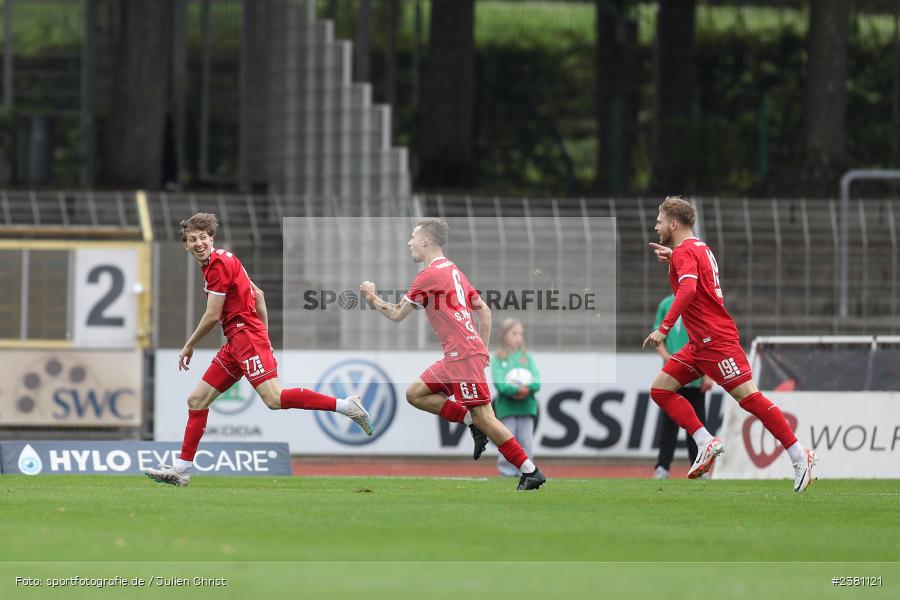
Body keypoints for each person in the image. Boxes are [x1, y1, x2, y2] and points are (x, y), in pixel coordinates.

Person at [145, 213, 373, 487]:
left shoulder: (216, 266)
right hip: (238, 342)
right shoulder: (227, 259)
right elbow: (260, 295)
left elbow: (213, 314)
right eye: (192, 239)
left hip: (244, 337)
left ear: (211, 238)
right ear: (186, 245)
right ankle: (182, 469)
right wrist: (263, 335)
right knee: (197, 400)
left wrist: (190, 344)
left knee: (274, 399)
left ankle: (346, 406)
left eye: (203, 237)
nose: (198, 243)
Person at [642, 196, 817, 492]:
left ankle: (800, 455)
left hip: (715, 341)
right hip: (698, 343)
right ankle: (705, 441)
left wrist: (664, 328)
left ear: (674, 223)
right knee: (660, 390)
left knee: (750, 399)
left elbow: (688, 289)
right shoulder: (697, 247)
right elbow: (698, 279)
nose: (656, 226)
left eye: (659, 221)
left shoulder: (685, 251)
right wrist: (673, 258)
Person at [359, 218, 547, 490]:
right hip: (457, 357)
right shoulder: (454, 271)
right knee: (415, 394)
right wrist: (481, 347)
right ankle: (470, 421)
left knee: (487, 419)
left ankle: (530, 471)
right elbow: (483, 309)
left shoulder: (429, 276)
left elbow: (397, 314)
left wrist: (371, 297)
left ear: (425, 240)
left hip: (463, 358)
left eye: (413, 237)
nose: (409, 242)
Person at [651, 294, 713, 479]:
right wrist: (667, 357)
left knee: (697, 425)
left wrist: (708, 375)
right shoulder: (666, 304)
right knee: (668, 426)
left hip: (695, 376)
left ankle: (700, 468)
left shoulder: (698, 303)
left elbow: (708, 340)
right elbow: (657, 335)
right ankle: (662, 468)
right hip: (672, 377)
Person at [491, 319, 540, 477]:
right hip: (506, 409)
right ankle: (506, 473)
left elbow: (536, 382)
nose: (518, 337)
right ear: (504, 335)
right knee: (507, 441)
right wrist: (515, 390)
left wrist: (526, 389)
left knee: (526, 443)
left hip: (526, 407)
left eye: (521, 334)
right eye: (514, 333)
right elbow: (500, 384)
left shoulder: (527, 358)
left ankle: (526, 473)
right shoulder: (498, 359)